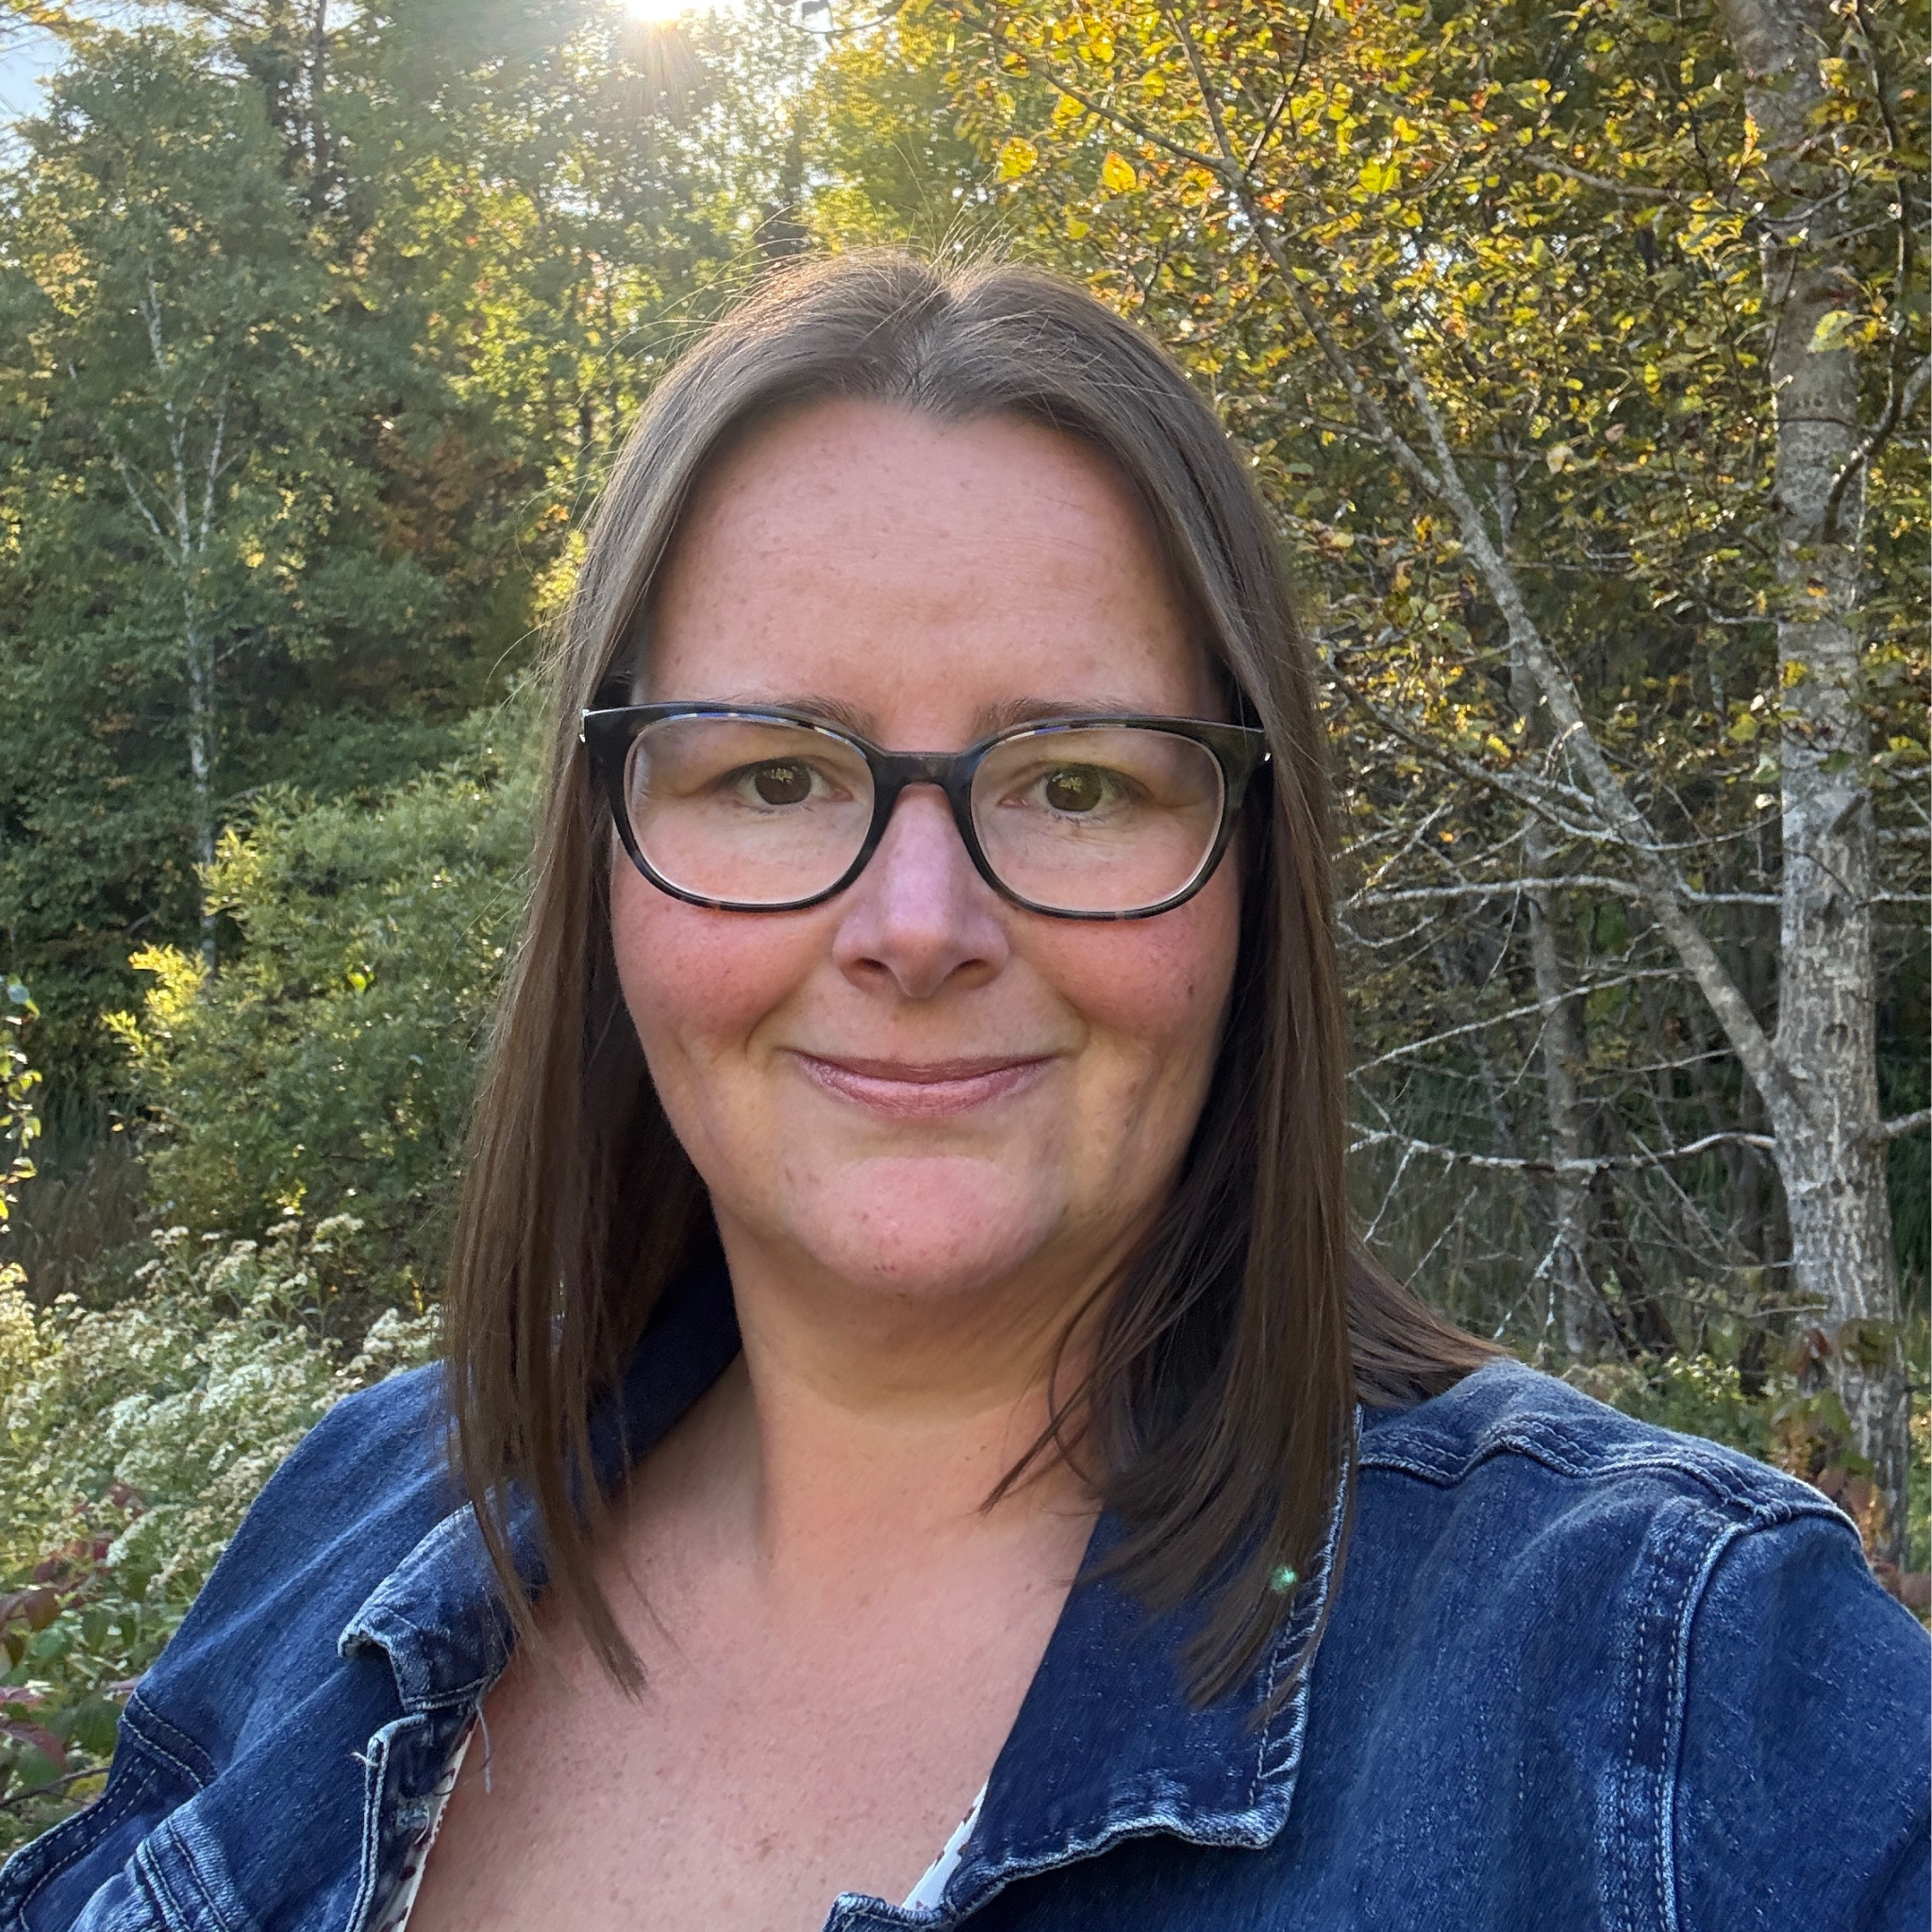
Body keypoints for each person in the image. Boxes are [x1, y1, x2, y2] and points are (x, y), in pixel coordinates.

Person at [2, 252, 1924, 1932]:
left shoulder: (1691, 1700)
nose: (917, 927)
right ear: (605, 861)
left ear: (1253, 880)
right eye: (772, 777)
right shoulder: (356, 1514)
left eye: (1078, 784)